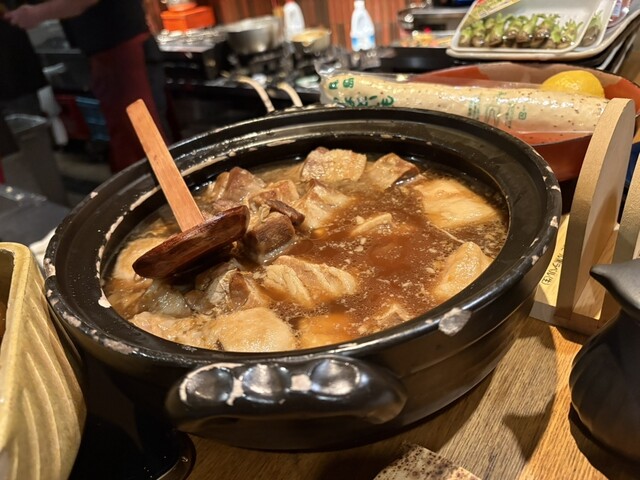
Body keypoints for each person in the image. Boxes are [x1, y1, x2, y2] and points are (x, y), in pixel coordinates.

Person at [5, 0, 173, 173]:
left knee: (143, 139)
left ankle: (165, 186)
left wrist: (36, 13)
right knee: (133, 139)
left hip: (121, 51)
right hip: (112, 52)